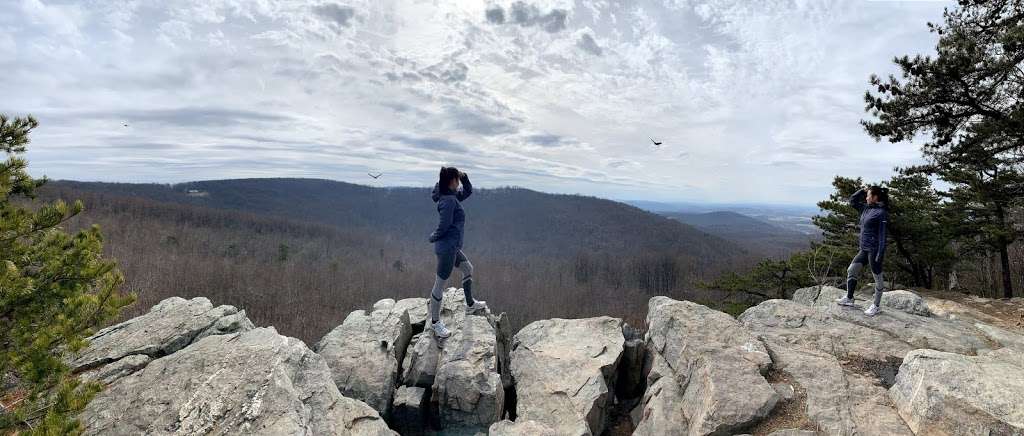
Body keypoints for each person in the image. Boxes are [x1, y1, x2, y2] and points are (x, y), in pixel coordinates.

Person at [427, 166, 487, 338]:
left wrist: (464, 176)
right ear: (452, 181)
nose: (459, 182)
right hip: (446, 249)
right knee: (439, 284)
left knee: (468, 268)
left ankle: (469, 305)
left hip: (452, 247)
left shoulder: (451, 196)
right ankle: (435, 323)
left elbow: (468, 191)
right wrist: (434, 237)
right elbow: (444, 226)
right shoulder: (448, 201)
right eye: (457, 179)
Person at [836, 185, 889, 316]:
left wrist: (880, 254)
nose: (866, 197)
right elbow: (852, 201)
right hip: (864, 249)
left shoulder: (881, 213)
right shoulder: (865, 209)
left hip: (874, 250)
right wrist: (862, 190)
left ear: (875, 197)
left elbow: (883, 236)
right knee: (851, 270)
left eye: (868, 195)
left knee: (878, 279)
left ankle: (876, 306)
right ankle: (849, 299)